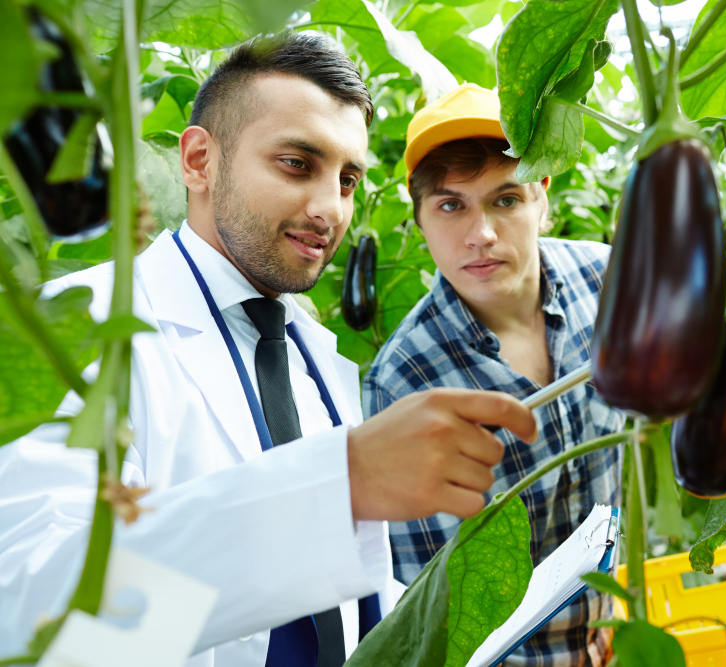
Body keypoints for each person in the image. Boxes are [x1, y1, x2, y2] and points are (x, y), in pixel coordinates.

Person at [0, 35, 538, 667]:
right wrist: (343, 486)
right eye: (295, 164)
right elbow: (39, 624)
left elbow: (331, 605)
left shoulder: (310, 353)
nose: (328, 209)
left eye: (347, 179)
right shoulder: (69, 332)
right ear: (199, 161)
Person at [363, 84, 624, 667]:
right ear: (421, 221)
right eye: (451, 205)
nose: (479, 234)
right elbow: (430, 608)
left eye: (505, 200)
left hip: (616, 636)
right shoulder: (405, 379)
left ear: (542, 198)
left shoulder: (605, 284)